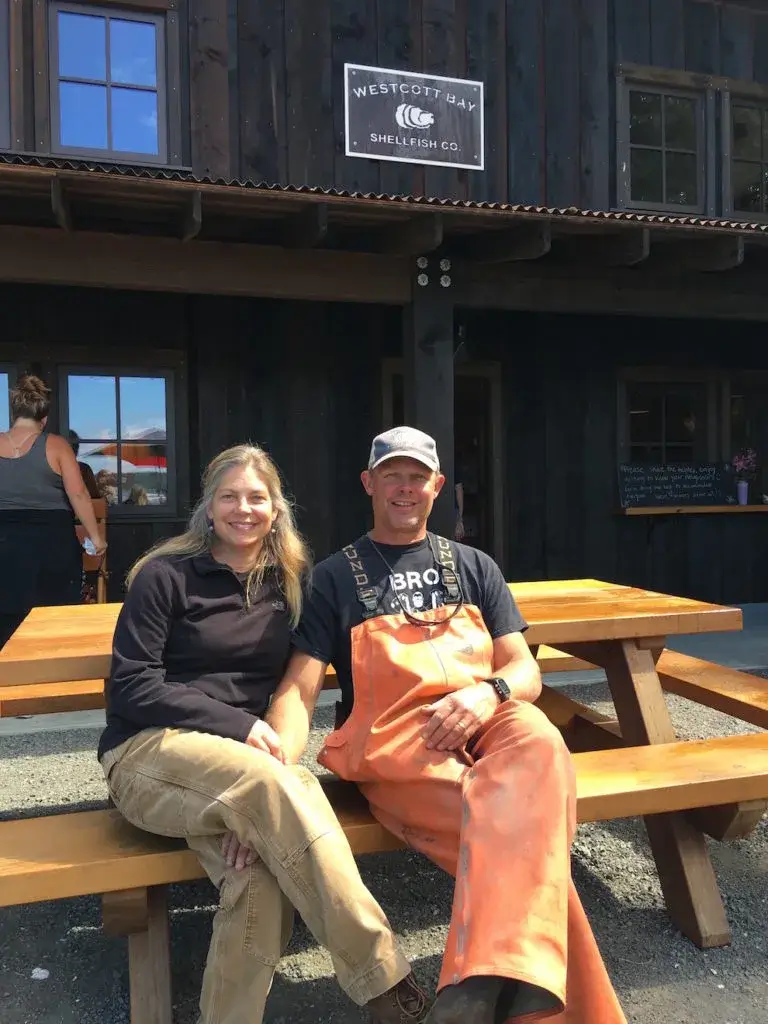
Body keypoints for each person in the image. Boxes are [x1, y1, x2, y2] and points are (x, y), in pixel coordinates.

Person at [266, 426, 628, 1024]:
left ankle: (477, 987)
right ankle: (498, 988)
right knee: (522, 834)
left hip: (489, 717)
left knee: (540, 738)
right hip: (400, 744)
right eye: (393, 476)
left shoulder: (475, 565)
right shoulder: (333, 577)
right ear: (369, 483)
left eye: (417, 477)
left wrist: (490, 694)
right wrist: (271, 769)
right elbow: (299, 689)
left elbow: (523, 670)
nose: (405, 489)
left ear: (437, 487)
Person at [98, 443, 430, 1024]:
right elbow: (131, 686)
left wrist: (258, 803)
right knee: (278, 786)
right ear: (208, 507)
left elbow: (293, 694)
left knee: (257, 881)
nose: (243, 509)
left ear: (277, 510)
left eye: (257, 497)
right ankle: (386, 983)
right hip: (150, 755)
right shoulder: (165, 576)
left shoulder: (291, 586)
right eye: (229, 497)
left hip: (243, 774)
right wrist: (244, 733)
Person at [0, 376, 106, 647]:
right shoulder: (57, 445)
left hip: (5, 542)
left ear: (13, 414)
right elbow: (79, 494)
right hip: (52, 544)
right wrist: (96, 538)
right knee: (55, 618)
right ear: (44, 419)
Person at [67, 429, 101, 499]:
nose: (76, 449)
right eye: (74, 445)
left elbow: (95, 497)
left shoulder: (84, 469)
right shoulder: (83, 468)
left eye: (76, 445)